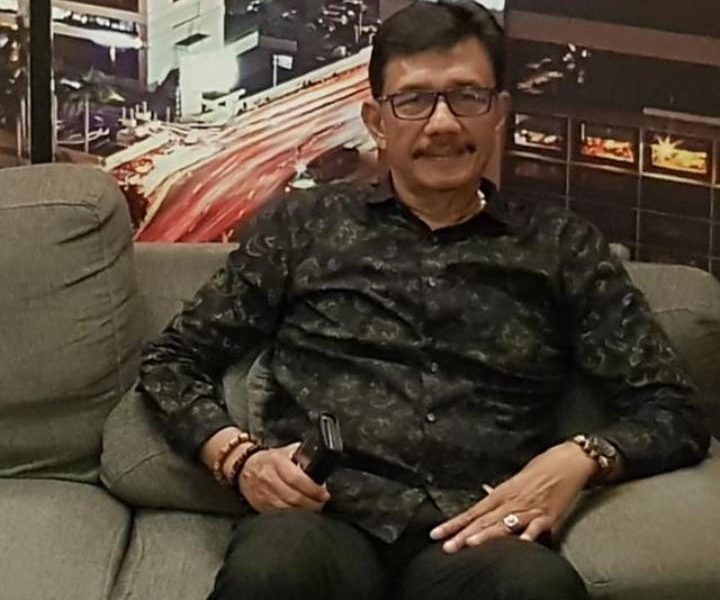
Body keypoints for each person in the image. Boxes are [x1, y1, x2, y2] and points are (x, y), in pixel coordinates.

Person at [138, 2, 710, 600]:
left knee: (535, 588)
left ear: (499, 113)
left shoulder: (561, 247)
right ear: (377, 121)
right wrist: (238, 459)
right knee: (272, 571)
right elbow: (172, 360)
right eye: (413, 100)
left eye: (467, 97)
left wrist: (582, 457)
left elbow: (673, 408)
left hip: (479, 532)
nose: (442, 123)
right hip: (325, 520)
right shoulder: (305, 226)